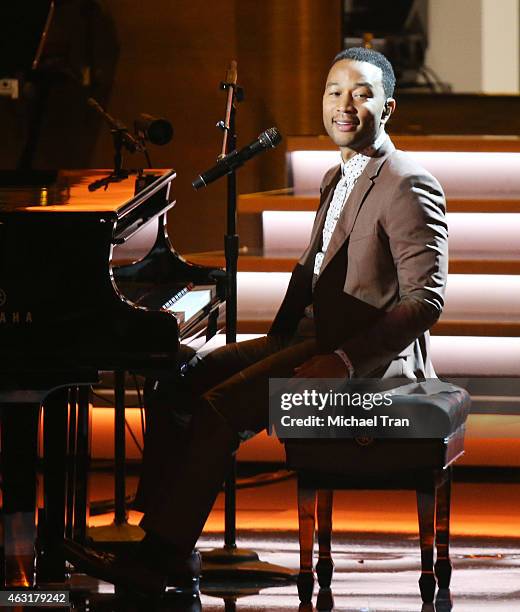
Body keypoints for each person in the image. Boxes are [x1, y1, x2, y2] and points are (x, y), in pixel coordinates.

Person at [64, 46, 448, 595]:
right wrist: (280, 338)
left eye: (362, 94)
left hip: (366, 359)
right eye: (335, 92)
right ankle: (160, 533)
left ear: (387, 109)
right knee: (176, 382)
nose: (345, 105)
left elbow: (425, 300)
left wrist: (340, 362)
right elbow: (315, 269)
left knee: (221, 408)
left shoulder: (408, 180)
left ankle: (164, 555)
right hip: (311, 334)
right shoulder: (334, 177)